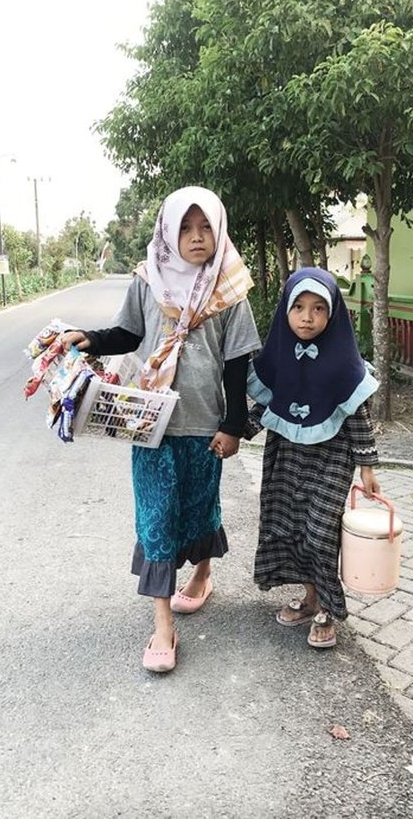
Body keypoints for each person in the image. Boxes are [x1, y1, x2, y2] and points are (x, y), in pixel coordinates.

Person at [61, 186, 261, 672]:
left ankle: (203, 575)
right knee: (155, 520)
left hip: (203, 424)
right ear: (169, 232)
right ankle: (162, 625)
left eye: (205, 227)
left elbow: (237, 362)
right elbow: (129, 332)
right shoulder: (148, 279)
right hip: (148, 421)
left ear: (219, 230)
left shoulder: (229, 285)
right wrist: (90, 338)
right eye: (186, 228)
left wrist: (234, 425)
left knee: (199, 507)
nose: (196, 238)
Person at [244, 267, 380, 649]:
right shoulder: (280, 356)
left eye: (319, 308)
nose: (307, 316)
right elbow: (267, 405)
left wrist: (367, 465)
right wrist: (234, 433)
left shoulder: (344, 363)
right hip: (286, 454)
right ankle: (311, 599)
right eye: (299, 306)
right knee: (291, 526)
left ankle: (328, 611)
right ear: (285, 311)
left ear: (333, 313)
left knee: (321, 532)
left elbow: (359, 417)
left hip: (332, 458)